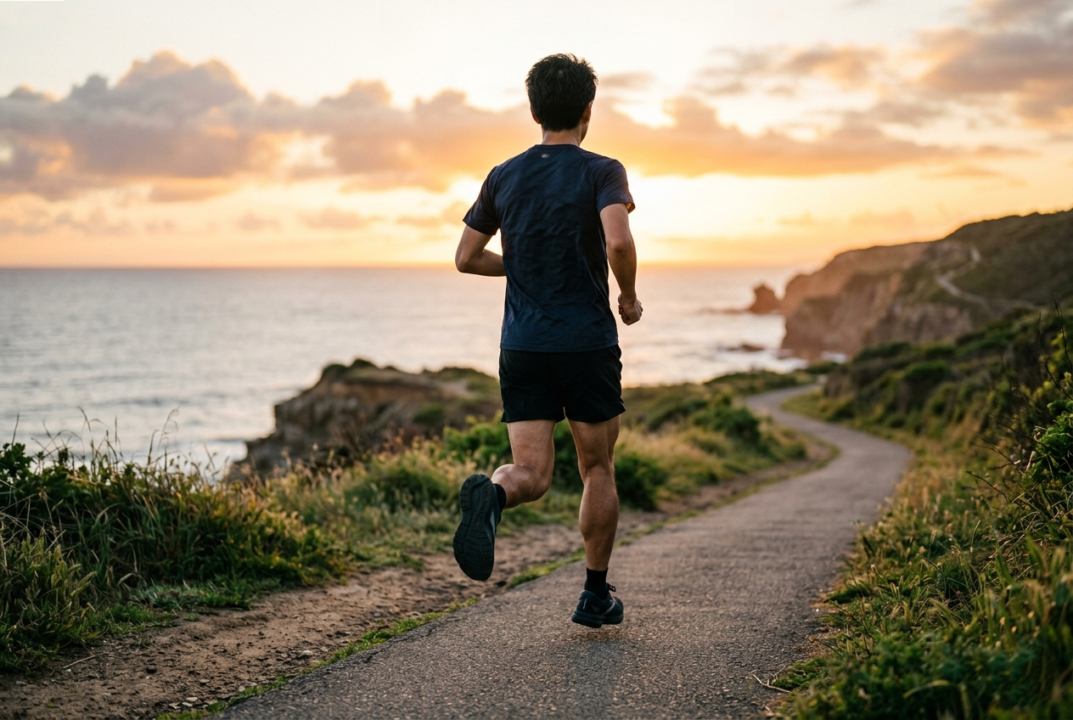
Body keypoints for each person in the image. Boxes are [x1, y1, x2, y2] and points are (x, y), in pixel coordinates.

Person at [452, 53, 642, 628]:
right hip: (585, 343)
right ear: (588, 111)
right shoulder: (601, 169)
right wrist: (628, 297)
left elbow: (465, 258)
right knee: (597, 469)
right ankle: (593, 594)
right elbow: (617, 243)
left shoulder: (503, 174)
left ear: (534, 110)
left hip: (524, 346)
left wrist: (525, 265)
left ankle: (494, 495)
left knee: (529, 473)